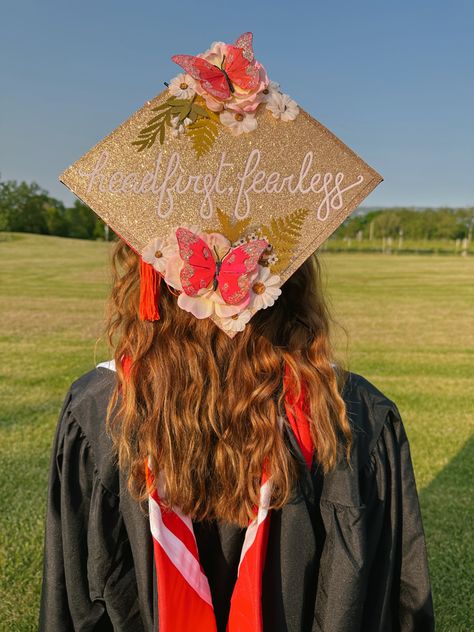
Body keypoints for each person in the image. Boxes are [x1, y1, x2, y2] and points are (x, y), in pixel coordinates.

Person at [39, 31, 435, 632]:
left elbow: (72, 604)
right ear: (293, 276)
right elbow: (393, 604)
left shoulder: (100, 412)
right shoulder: (352, 416)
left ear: (146, 273)